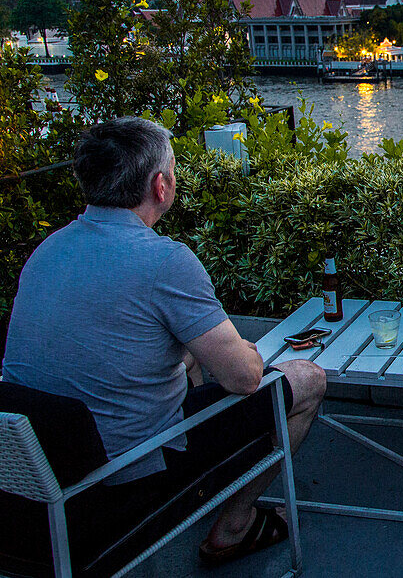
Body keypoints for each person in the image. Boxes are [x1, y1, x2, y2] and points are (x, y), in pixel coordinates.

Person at [2, 117, 327, 567]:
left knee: (189, 357)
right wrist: (246, 356)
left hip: (41, 479)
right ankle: (235, 524)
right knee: (305, 379)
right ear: (161, 185)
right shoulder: (164, 261)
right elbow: (244, 379)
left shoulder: (47, 250)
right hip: (126, 474)